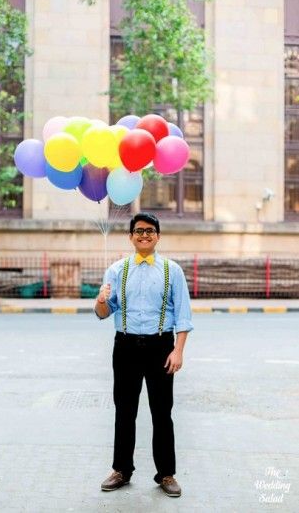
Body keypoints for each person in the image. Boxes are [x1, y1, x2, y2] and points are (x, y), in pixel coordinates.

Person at [95, 212, 193, 498]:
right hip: (125, 346)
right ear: (130, 237)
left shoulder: (171, 271)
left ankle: (166, 474)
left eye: (150, 231)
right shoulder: (116, 270)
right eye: (139, 231)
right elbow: (103, 313)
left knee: (162, 412)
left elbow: (184, 315)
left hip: (160, 347)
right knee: (124, 411)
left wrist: (178, 350)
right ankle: (121, 470)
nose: (144, 235)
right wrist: (100, 299)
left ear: (158, 236)